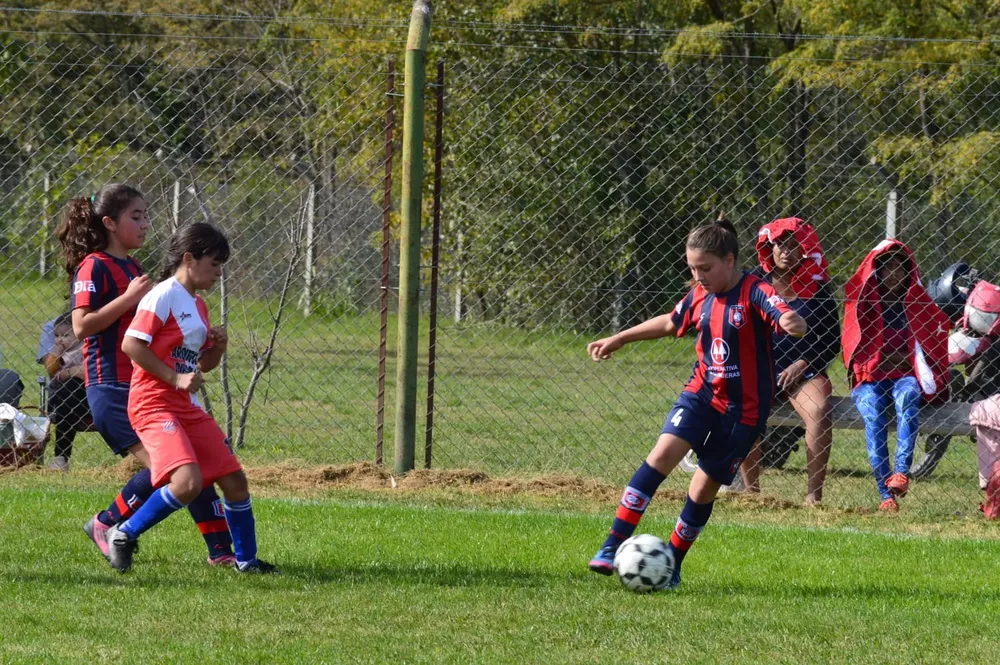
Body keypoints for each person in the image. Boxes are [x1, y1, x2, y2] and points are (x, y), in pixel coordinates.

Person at [585, 218, 806, 588]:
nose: (698, 275)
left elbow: (781, 310)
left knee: (702, 489)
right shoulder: (700, 295)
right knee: (660, 456)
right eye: (692, 268)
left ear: (730, 260)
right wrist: (621, 338)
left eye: (705, 268)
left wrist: (789, 320)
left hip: (744, 412)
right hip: (702, 394)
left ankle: (671, 563)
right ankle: (611, 546)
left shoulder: (755, 290)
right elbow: (672, 323)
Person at [57, 183, 235, 564]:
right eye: (135, 217)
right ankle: (108, 523)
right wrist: (128, 299)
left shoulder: (134, 268)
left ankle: (221, 552)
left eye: (146, 215)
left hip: (147, 386)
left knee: (192, 468)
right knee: (173, 470)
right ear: (109, 223)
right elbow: (81, 327)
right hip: (112, 386)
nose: (145, 224)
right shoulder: (95, 265)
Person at [106, 223, 276, 574]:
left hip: (183, 405)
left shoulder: (197, 305)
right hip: (153, 403)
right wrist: (174, 377)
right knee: (187, 483)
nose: (218, 272)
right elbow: (131, 345)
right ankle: (122, 534)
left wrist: (219, 347)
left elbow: (203, 366)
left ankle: (246, 562)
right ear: (188, 258)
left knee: (234, 481)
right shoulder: (162, 294)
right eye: (214, 264)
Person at [843, 240, 950, 512]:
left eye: (899, 268)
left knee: (909, 395)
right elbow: (860, 352)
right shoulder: (863, 304)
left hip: (903, 376)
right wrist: (897, 358)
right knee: (874, 413)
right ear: (876, 272)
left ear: (908, 272)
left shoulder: (915, 303)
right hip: (870, 380)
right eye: (887, 267)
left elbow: (927, 346)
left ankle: (901, 473)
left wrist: (895, 358)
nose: (893, 274)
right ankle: (885, 494)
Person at [741, 218, 840, 505]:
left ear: (805, 248)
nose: (787, 251)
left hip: (804, 370)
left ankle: (813, 496)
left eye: (794, 245)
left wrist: (803, 363)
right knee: (745, 407)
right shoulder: (753, 283)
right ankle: (752, 493)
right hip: (760, 368)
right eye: (780, 244)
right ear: (767, 248)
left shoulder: (819, 288)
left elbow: (831, 340)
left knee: (820, 409)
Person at [39, 312, 90, 470]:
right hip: (69, 401)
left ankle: (129, 457)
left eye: (65, 335)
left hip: (92, 395)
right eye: (56, 335)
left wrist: (74, 372)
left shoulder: (88, 346)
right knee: (67, 389)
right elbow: (53, 372)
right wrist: (58, 352)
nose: (59, 339)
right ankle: (60, 457)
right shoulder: (62, 354)